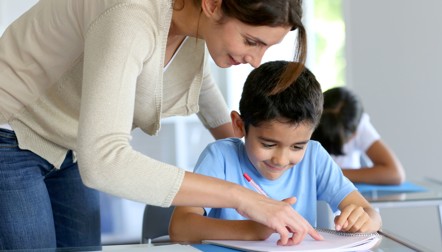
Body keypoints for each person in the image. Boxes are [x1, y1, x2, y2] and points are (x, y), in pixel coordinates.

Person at [0, 0, 310, 249]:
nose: (257, 60)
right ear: (213, 5)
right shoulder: (131, 15)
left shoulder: (190, 22)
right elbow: (105, 162)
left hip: (69, 143)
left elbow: (200, 87)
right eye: (251, 41)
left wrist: (257, 152)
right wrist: (243, 197)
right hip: (10, 129)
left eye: (266, 48)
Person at [169, 61, 382, 244]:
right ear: (240, 125)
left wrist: (362, 220)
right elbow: (180, 227)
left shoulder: (314, 157)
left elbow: (372, 216)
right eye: (268, 144)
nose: (280, 159)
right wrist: (254, 230)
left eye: (297, 146)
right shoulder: (220, 158)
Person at [311, 87, 405, 185]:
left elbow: (395, 174)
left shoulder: (359, 124)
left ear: (355, 133)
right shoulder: (307, 120)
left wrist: (332, 174)